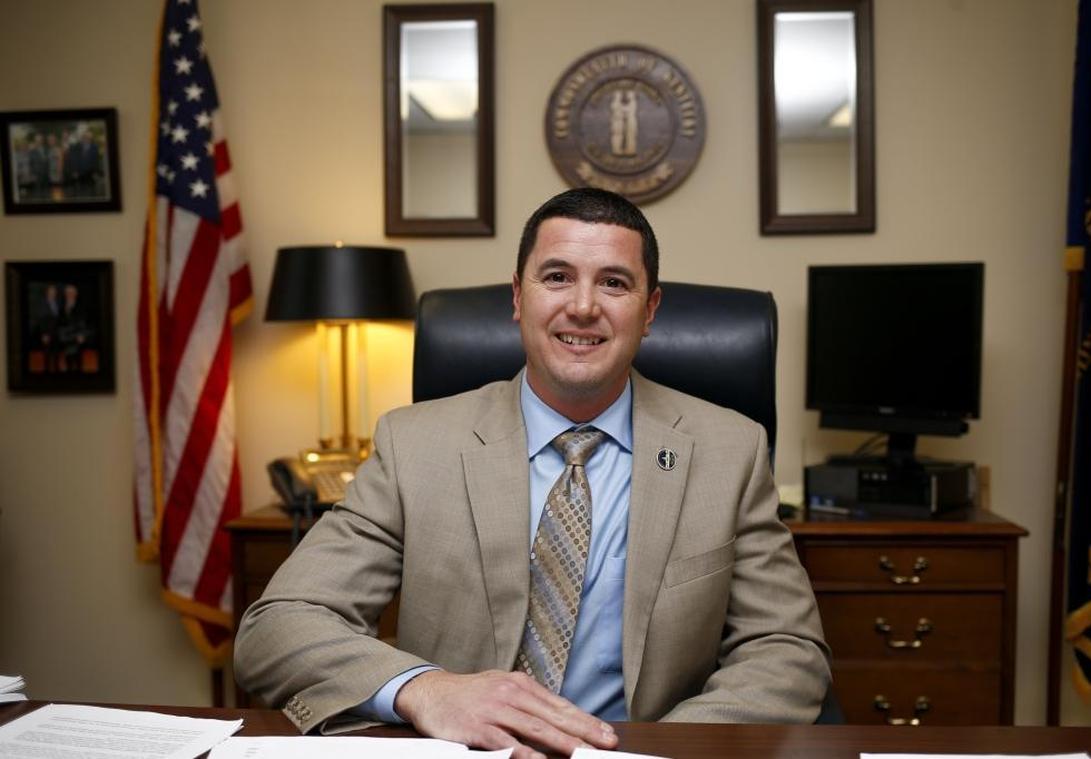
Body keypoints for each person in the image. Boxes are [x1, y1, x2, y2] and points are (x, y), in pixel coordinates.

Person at [235, 188, 830, 757]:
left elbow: (787, 650)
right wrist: (427, 690)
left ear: (649, 310)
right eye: (557, 277)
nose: (583, 306)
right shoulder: (415, 445)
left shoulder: (731, 451)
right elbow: (279, 625)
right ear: (518, 297)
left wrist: (648, 754)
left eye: (614, 283)